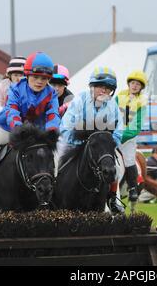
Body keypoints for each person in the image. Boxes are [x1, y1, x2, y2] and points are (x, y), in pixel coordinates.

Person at [0, 52, 61, 213]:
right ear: (27, 75)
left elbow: (53, 114)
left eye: (44, 78)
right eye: (36, 77)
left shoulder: (51, 93)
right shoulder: (15, 89)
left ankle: (52, 197)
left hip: (38, 134)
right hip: (11, 129)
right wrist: (19, 129)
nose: (40, 82)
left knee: (56, 157)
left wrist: (51, 131)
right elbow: (12, 111)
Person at [59, 66, 123, 213]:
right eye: (100, 86)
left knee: (116, 167)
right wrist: (81, 143)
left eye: (108, 88)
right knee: (55, 161)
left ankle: (112, 199)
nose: (104, 91)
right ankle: (48, 196)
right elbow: (65, 127)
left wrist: (107, 145)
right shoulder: (80, 100)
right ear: (92, 87)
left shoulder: (113, 104)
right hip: (73, 143)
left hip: (101, 148)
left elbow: (118, 131)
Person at [116, 70, 148, 203]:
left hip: (128, 137)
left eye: (138, 84)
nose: (134, 86)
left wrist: (121, 136)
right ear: (129, 84)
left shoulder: (142, 102)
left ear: (141, 87)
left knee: (129, 160)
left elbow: (136, 126)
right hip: (114, 133)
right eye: (133, 83)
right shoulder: (119, 96)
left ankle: (133, 188)